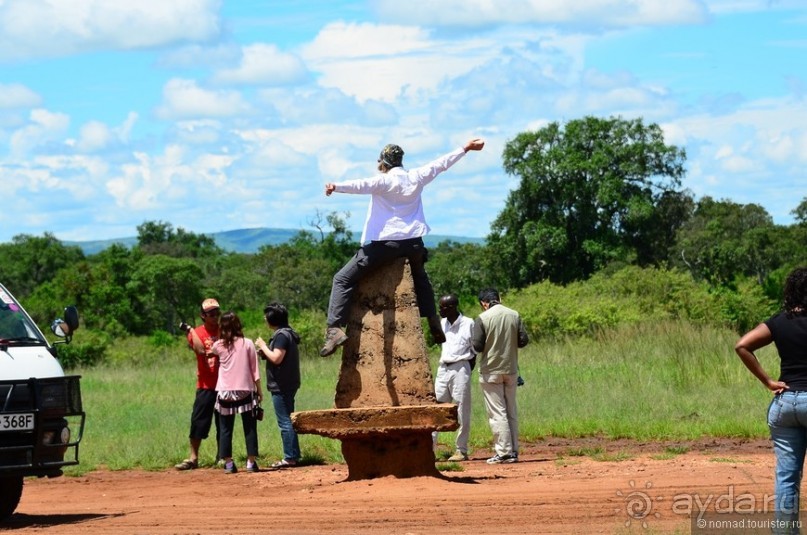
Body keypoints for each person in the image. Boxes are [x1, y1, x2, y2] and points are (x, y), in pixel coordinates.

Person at [319, 137, 486, 357]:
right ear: (400, 161)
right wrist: (465, 148)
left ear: (384, 163)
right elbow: (441, 164)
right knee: (420, 278)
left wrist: (335, 186)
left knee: (342, 279)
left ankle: (334, 330)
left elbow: (360, 185)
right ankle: (434, 321)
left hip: (386, 245)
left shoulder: (384, 181)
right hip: (414, 244)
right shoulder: (415, 177)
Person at [735, 267, 807, 532]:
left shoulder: (779, 321)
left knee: (787, 476)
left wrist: (767, 381)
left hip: (785, 403)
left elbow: (742, 345)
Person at [471, 288, 529, 464]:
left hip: (491, 371)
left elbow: (478, 346)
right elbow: (523, 341)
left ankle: (503, 452)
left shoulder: (483, 318)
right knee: (511, 410)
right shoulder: (514, 314)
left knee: (497, 413)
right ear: (499, 298)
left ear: (483, 303)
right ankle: (513, 451)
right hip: (511, 369)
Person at [211, 311, 262, 474]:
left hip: (225, 391)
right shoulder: (247, 343)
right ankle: (250, 462)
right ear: (238, 325)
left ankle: (228, 463)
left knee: (225, 427)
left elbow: (212, 352)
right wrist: (259, 390)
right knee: (250, 427)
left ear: (222, 327)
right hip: (245, 390)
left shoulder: (218, 345)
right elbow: (255, 370)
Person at [175, 298, 221, 471]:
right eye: (211, 314)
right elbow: (200, 350)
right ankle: (193, 458)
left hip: (224, 384)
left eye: (217, 313)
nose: (215, 316)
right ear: (203, 316)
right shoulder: (197, 333)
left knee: (223, 423)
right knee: (198, 421)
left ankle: (222, 456)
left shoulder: (224, 330)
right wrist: (191, 330)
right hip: (205, 385)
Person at [255, 303, 302, 469]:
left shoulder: (281, 335)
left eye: (266, 315)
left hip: (281, 384)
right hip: (288, 382)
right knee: (289, 419)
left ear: (272, 318)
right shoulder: (288, 333)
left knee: (285, 422)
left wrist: (262, 346)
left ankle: (290, 457)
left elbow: (276, 358)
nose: (264, 318)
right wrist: (265, 352)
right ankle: (294, 455)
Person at [432, 294, 476, 462]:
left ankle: (461, 450)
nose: (440, 310)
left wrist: (466, 369)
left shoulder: (469, 323)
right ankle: (430, 450)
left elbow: (474, 351)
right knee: (436, 409)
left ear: (452, 307)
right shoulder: (442, 324)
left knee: (461, 409)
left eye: (443, 307)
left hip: (461, 367)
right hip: (443, 368)